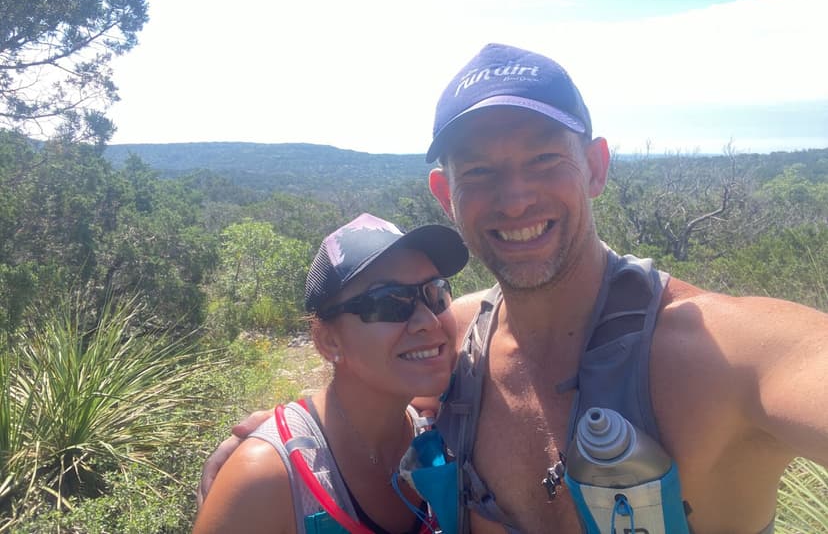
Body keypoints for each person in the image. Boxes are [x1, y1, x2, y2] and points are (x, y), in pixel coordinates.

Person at [199, 44, 828, 534]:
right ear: (448, 197)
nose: (515, 196)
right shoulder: (456, 344)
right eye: (479, 171)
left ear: (597, 167)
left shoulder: (730, 351)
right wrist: (278, 447)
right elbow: (363, 370)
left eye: (545, 159)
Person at [193, 212, 468, 534]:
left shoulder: (442, 433)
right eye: (389, 303)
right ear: (328, 340)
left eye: (434, 294)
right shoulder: (267, 479)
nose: (429, 321)